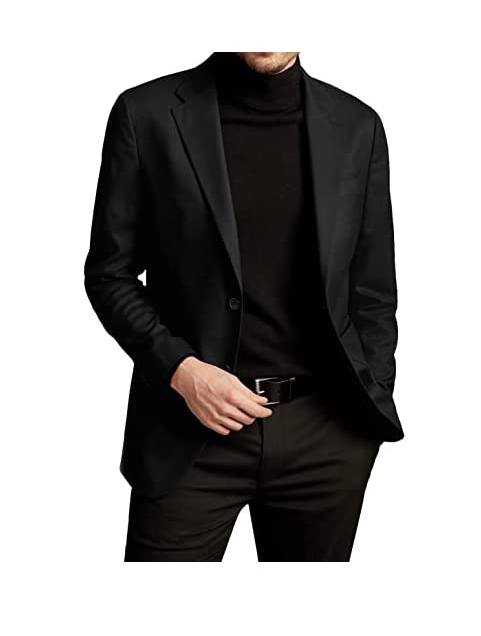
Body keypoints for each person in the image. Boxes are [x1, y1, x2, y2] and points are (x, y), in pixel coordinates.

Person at [84, 51, 404, 561]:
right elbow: (109, 274)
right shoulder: (147, 113)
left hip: (324, 438)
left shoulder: (356, 125)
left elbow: (372, 290)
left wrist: (368, 407)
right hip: (188, 432)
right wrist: (181, 370)